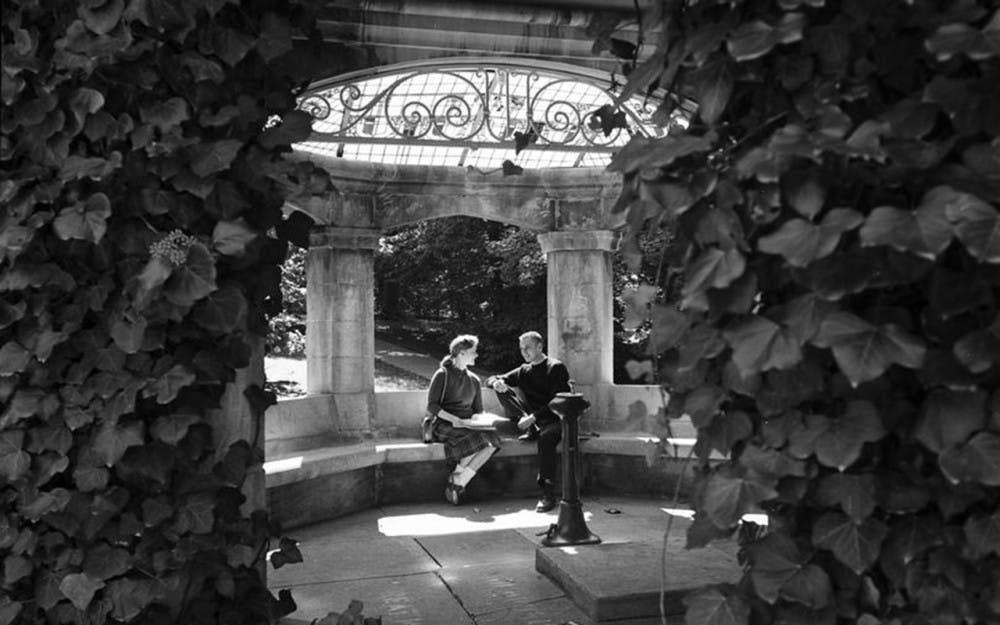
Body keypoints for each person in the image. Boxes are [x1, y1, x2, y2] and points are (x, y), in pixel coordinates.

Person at [487, 331, 571, 513]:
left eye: (528, 347)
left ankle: (548, 493)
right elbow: (492, 377)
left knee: (546, 439)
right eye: (521, 348)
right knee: (502, 389)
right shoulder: (524, 370)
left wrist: (534, 417)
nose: (524, 352)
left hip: (556, 419)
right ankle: (533, 428)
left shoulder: (555, 367)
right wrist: (496, 382)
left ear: (540, 347)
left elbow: (560, 400)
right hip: (532, 419)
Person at [425, 335, 503, 505]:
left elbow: (478, 410)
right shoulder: (442, 375)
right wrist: (454, 419)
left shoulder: (474, 380)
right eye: (473, 352)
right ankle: (457, 483)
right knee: (477, 440)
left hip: (467, 425)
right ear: (461, 353)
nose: (476, 356)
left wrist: (480, 419)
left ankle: (459, 479)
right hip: (444, 425)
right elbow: (432, 406)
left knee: (493, 441)